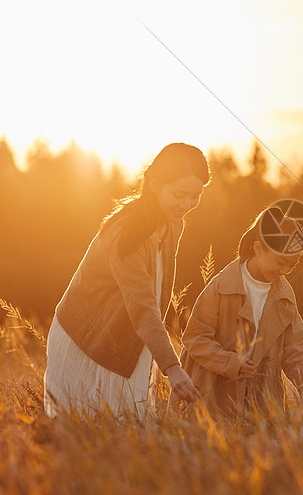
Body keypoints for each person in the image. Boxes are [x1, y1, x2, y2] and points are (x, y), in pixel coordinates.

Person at [43, 143, 207, 419]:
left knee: (130, 428)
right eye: (179, 194)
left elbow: (155, 291)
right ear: (154, 184)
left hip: (130, 334)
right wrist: (172, 367)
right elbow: (142, 304)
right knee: (90, 428)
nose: (187, 204)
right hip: (86, 340)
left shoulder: (172, 223)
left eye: (195, 195)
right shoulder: (127, 235)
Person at [179, 206, 303, 418]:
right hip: (213, 399)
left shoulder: (285, 296)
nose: (284, 271)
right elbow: (195, 338)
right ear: (258, 249)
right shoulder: (220, 286)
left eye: (292, 266)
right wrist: (231, 363)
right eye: (280, 262)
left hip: (262, 404)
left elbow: (297, 352)